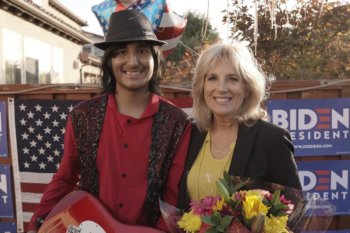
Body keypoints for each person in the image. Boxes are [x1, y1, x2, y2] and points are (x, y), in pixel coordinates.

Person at [27, 10, 191, 232]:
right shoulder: (83, 116)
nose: (132, 61)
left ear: (154, 58)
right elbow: (65, 177)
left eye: (142, 51)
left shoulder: (176, 123)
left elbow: (173, 195)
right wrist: (39, 221)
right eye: (121, 52)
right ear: (109, 61)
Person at [177, 41, 301, 209]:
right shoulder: (189, 133)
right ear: (202, 86)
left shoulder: (271, 139)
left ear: (247, 88)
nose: (221, 88)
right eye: (212, 78)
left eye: (232, 79)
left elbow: (294, 210)